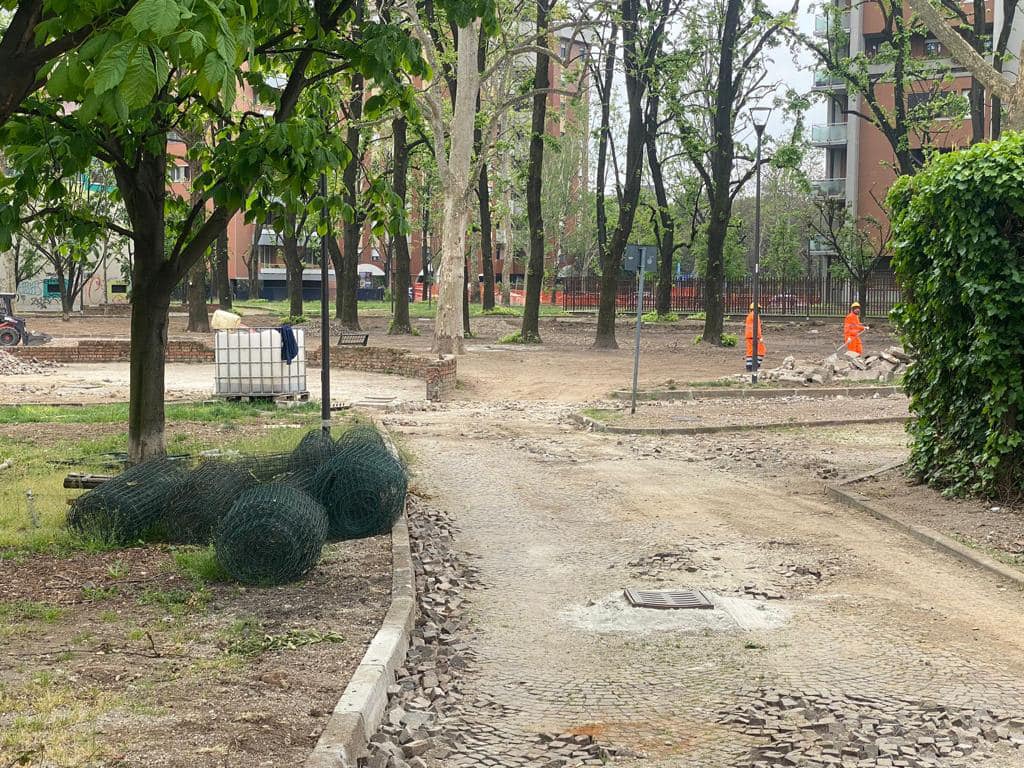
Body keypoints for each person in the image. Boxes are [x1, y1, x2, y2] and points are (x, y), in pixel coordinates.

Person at [745, 303, 766, 372]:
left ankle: (749, 366)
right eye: (759, 309)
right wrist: (760, 337)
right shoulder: (755, 316)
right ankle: (756, 365)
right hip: (755, 336)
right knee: (761, 351)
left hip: (749, 336)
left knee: (750, 351)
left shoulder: (749, 315)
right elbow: (757, 328)